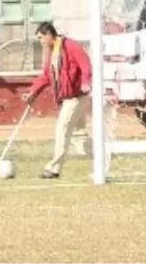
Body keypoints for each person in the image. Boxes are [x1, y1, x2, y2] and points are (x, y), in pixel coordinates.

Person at [23, 22, 92, 180]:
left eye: (41, 38)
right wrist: (32, 92)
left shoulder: (71, 46)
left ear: (48, 35)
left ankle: (54, 168)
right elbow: (47, 76)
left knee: (62, 127)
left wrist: (86, 81)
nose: (40, 42)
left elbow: (86, 65)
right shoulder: (51, 52)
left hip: (76, 96)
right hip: (68, 98)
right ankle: (104, 157)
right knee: (78, 137)